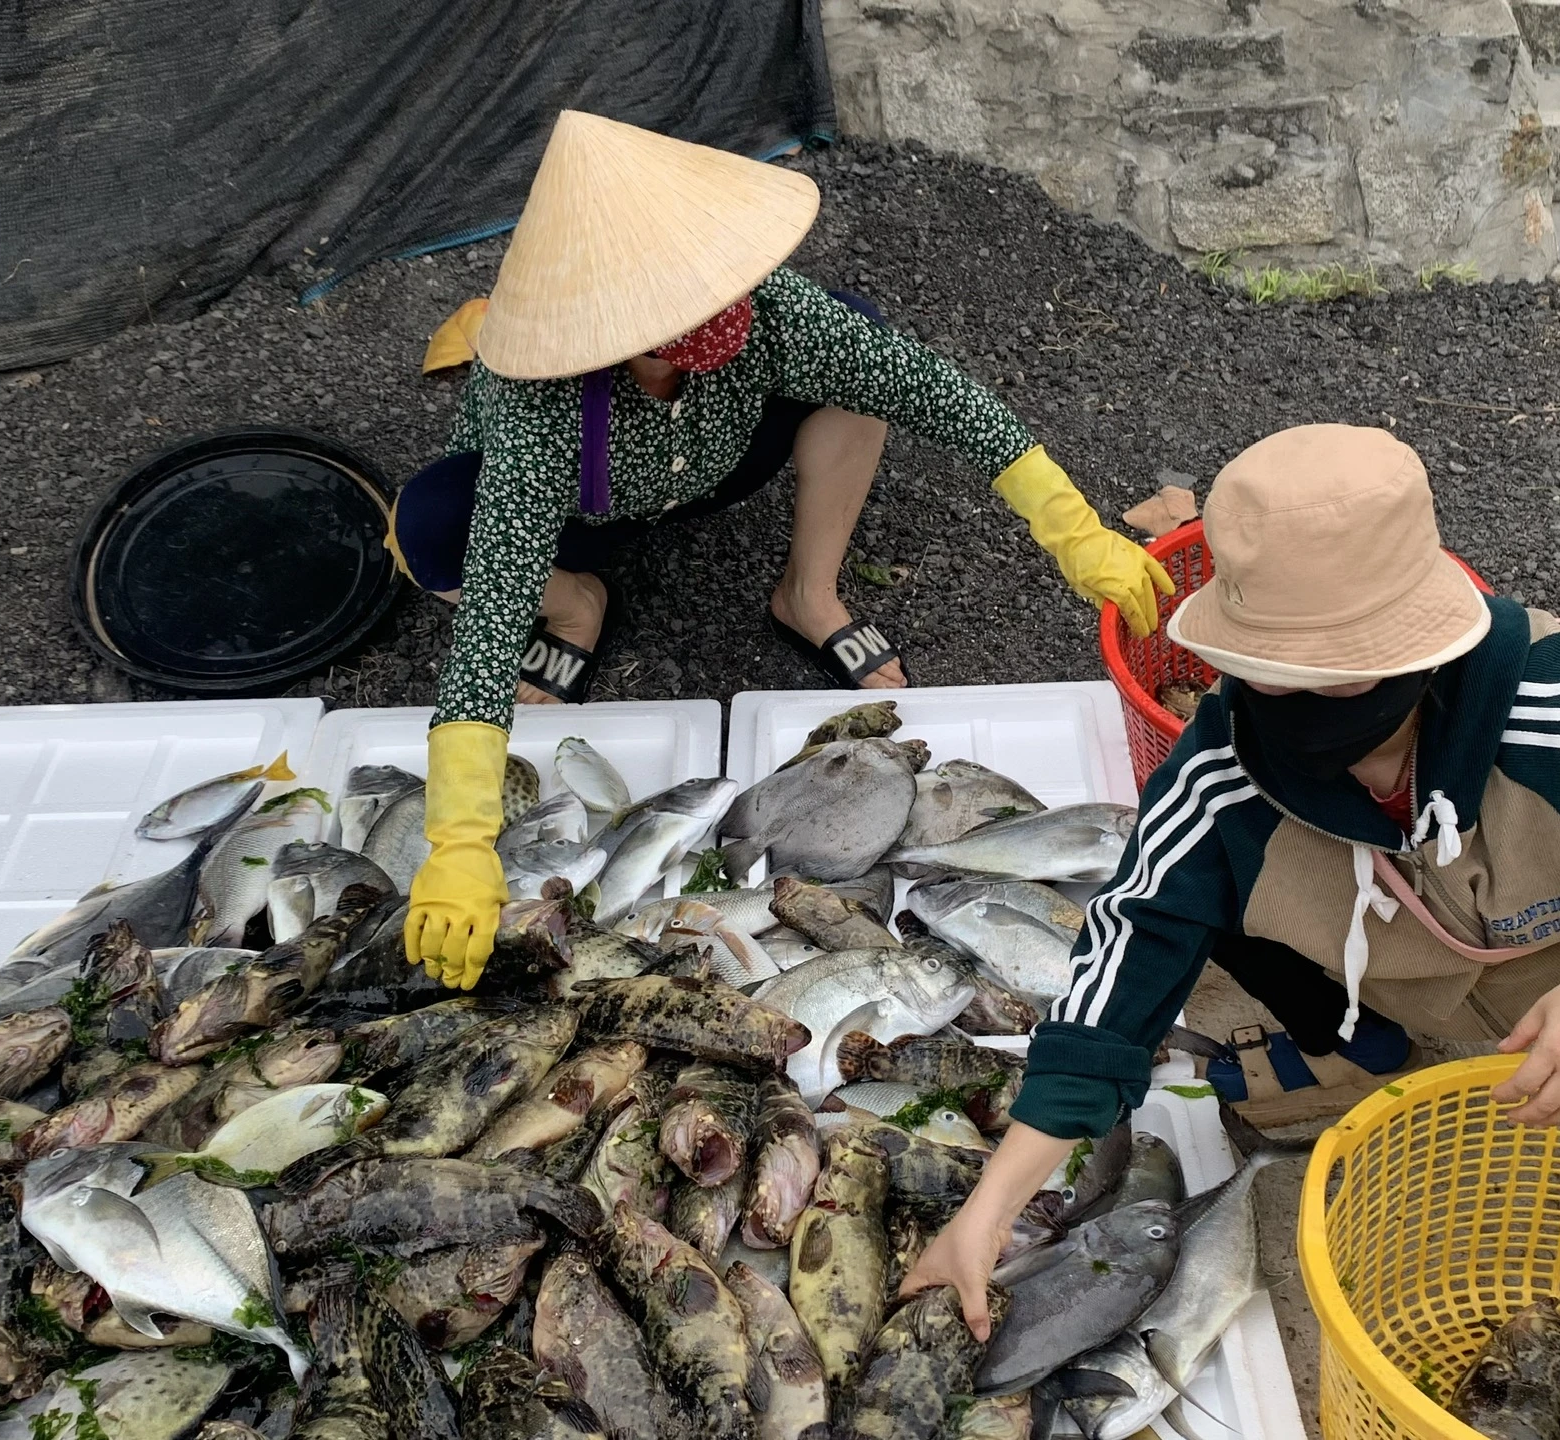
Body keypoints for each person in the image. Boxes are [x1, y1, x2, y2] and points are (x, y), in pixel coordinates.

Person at [901, 423, 1560, 1337]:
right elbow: (1128, 951)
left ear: (1422, 649)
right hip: (1400, 968)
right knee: (1192, 893)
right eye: (1277, 676)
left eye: (1346, 679)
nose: (1312, 713)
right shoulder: (1217, 769)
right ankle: (1360, 1042)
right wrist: (990, 1209)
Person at [393, 111, 1171, 985]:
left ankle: (810, 591)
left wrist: (1071, 525)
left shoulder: (769, 318)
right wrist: (457, 837)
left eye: (720, 284)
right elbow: (493, 610)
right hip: (580, 508)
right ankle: (576, 602)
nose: (726, 310)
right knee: (424, 527)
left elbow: (930, 390)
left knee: (862, 347)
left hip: (720, 461)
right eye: (683, 305)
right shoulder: (541, 400)